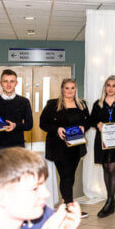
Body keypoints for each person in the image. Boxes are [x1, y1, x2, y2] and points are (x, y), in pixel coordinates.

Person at [40, 78, 90, 217]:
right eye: (67, 88)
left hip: (75, 146)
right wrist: (57, 129)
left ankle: (64, 203)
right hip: (58, 147)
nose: (69, 91)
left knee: (69, 176)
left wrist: (83, 127)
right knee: (66, 175)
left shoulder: (82, 104)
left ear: (75, 89)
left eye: (72, 88)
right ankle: (69, 205)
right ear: (62, 89)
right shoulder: (52, 104)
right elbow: (43, 124)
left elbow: (88, 121)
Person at [89, 75, 115, 218]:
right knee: (105, 167)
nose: (111, 88)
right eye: (108, 85)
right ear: (105, 87)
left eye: (114, 85)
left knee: (113, 168)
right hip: (102, 141)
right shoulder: (98, 103)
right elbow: (91, 119)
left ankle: (110, 201)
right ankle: (111, 200)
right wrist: (97, 123)